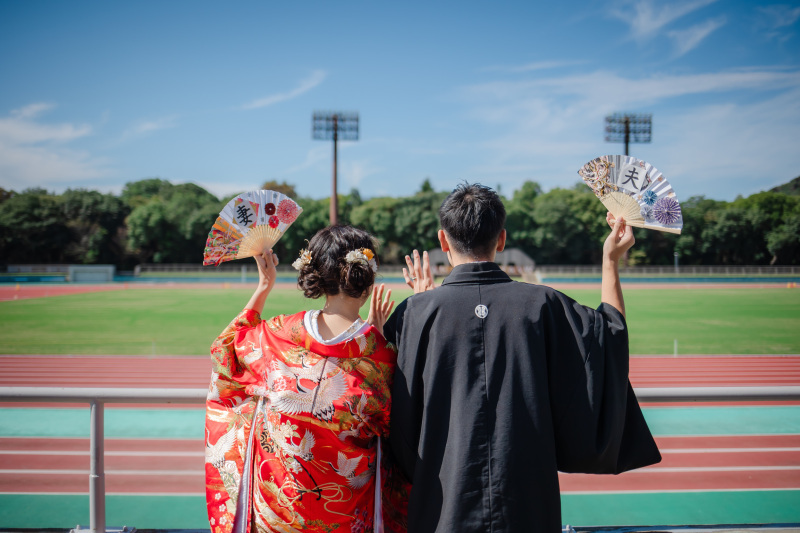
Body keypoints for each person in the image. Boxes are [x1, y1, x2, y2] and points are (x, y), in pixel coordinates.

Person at [383, 183, 662, 533]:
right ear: (501, 240)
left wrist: (422, 307)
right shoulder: (544, 305)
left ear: (443, 241)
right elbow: (609, 336)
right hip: (526, 504)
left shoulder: (414, 313)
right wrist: (610, 262)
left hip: (443, 505)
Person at [205, 225, 396, 533]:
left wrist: (263, 287)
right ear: (366, 278)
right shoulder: (382, 356)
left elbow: (226, 351)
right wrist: (372, 335)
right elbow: (396, 432)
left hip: (276, 515)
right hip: (344, 516)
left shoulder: (275, 335)